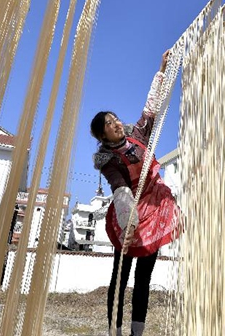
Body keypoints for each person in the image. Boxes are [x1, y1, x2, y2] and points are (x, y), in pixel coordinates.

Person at [90, 50, 180, 336]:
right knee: (120, 278)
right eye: (109, 123)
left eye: (115, 118)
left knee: (144, 278)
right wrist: (129, 222)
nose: (116, 122)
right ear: (102, 136)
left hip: (153, 211)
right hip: (128, 215)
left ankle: (136, 334)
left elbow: (150, 108)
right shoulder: (109, 160)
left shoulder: (137, 135)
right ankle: (114, 332)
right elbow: (119, 188)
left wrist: (162, 70)